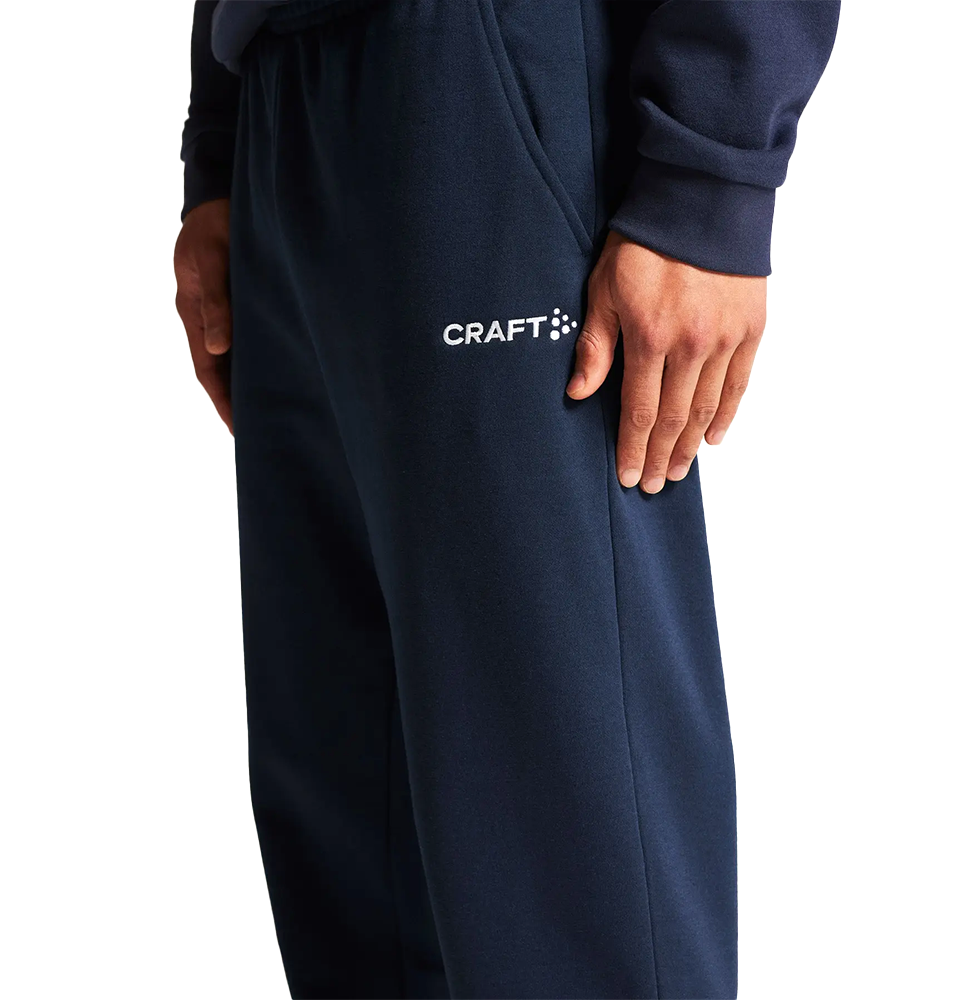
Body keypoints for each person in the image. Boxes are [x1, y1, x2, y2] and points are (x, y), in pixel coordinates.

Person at [173, 2, 839, 997]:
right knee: (352, 877)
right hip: (281, 105)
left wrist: (712, 168)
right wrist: (222, 140)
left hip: (484, 83)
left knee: (564, 874)